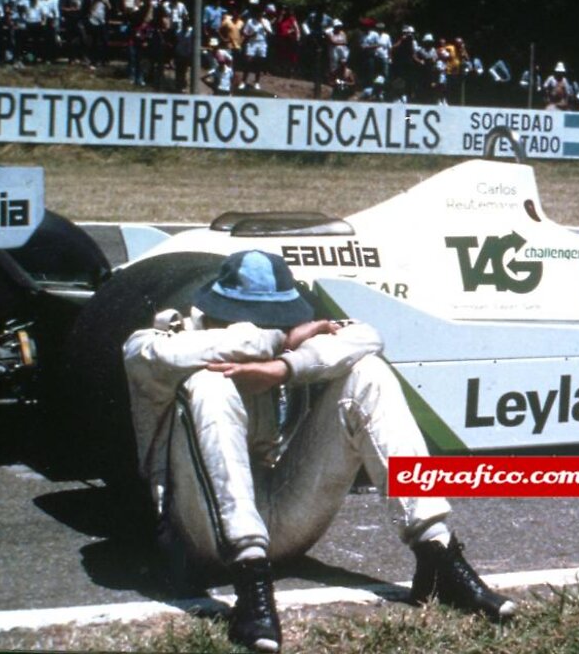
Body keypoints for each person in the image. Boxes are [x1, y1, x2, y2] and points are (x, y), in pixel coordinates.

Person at [123, 251, 516, 652]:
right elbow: (162, 355)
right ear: (217, 308)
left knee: (369, 372)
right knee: (209, 384)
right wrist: (276, 341)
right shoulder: (161, 341)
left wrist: (285, 367)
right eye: (248, 315)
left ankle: (438, 557)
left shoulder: (282, 345)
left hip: (281, 517)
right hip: (196, 533)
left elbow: (366, 336)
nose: (264, 325)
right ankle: (250, 589)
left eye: (273, 317)